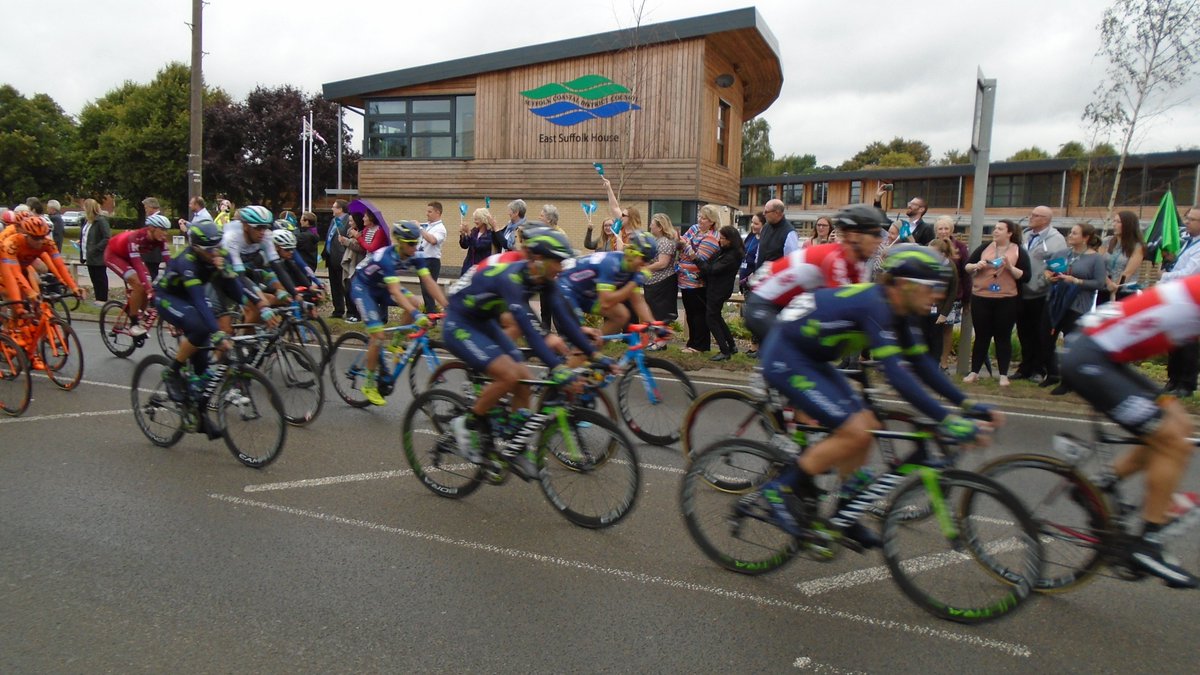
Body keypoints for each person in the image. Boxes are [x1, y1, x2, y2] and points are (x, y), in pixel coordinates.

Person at [754, 244, 997, 547]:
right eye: (933, 287)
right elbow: (897, 375)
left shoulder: (900, 311)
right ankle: (779, 490)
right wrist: (947, 420)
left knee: (867, 424)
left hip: (812, 358)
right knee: (854, 430)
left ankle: (845, 511)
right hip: (786, 356)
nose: (937, 295)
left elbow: (921, 364)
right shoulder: (877, 306)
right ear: (905, 285)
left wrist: (968, 405)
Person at [1058, 274, 1200, 588]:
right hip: (1090, 360)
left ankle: (1096, 487)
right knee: (1172, 441)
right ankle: (1148, 544)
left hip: (1104, 355)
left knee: (1180, 426)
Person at [444, 228, 604, 477]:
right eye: (557, 262)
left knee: (523, 378)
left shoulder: (544, 280)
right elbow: (529, 329)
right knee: (508, 375)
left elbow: (565, 319)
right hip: (460, 323)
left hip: (486, 321)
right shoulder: (511, 277)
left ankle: (514, 445)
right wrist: (559, 368)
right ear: (539, 260)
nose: (561, 268)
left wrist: (596, 357)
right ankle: (465, 423)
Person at [155, 220, 277, 404]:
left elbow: (237, 288)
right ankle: (172, 372)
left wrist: (260, 305)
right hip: (169, 297)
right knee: (201, 327)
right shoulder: (187, 263)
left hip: (191, 296)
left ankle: (198, 413)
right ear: (196, 248)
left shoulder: (221, 255)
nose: (215, 252)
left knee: (201, 373)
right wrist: (218, 333)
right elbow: (198, 301)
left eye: (217, 246)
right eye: (209, 249)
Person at [742, 205, 886, 344]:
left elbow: (863, 301)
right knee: (797, 351)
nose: (880, 240)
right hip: (763, 304)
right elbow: (842, 307)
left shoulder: (857, 265)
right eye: (875, 234)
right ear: (854, 236)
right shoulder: (835, 259)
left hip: (785, 305)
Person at [349, 221, 446, 406]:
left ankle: (395, 344)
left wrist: (447, 305)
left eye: (416, 242)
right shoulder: (386, 257)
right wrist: (416, 315)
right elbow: (394, 291)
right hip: (364, 288)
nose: (414, 247)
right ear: (400, 242)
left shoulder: (416, 254)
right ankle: (368, 384)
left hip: (383, 286)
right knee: (377, 336)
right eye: (410, 243)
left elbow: (429, 281)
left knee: (415, 302)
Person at [1042, 222, 1107, 395]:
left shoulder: (1096, 258)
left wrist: (1077, 281)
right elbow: (1048, 270)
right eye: (1070, 232)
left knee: (1070, 342)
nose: (1070, 236)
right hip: (1056, 301)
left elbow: (1100, 283)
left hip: (1077, 305)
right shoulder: (1063, 253)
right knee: (1045, 339)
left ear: (1085, 238)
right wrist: (1050, 277)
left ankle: (1068, 381)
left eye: (1074, 233)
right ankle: (1052, 373)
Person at [963, 219, 1030, 386]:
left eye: (1000, 229)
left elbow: (1026, 276)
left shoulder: (1018, 251)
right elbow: (967, 267)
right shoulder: (985, 247)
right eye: (995, 228)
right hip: (982, 297)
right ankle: (974, 372)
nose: (995, 231)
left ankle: (1003, 375)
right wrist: (976, 266)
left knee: (1003, 336)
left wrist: (1009, 267)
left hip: (1006, 299)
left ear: (1009, 233)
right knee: (981, 336)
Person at [558, 231, 658, 336]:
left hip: (586, 294)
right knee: (577, 337)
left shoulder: (633, 270)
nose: (646, 264)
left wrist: (655, 327)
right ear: (631, 253)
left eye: (649, 260)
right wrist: (634, 283)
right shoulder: (611, 264)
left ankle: (593, 347)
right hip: (568, 288)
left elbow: (638, 302)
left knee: (621, 315)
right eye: (644, 258)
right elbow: (606, 302)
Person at [1012, 206, 1067, 382]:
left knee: (1039, 333)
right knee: (1024, 332)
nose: (1031, 217)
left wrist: (1043, 281)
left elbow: (1058, 266)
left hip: (1042, 293)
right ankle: (1025, 367)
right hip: (1023, 291)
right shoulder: (1026, 236)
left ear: (1045, 219)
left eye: (1036, 215)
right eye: (1032, 214)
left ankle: (1039, 368)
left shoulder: (1056, 240)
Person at [0, 212, 84, 318]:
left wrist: (72, 286)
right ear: (24, 232)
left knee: (36, 288)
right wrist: (28, 293)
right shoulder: (10, 240)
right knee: (14, 299)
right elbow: (13, 273)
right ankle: (10, 325)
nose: (40, 241)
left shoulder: (47, 242)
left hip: (22, 264)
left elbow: (58, 265)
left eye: (42, 237)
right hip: (5, 266)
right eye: (35, 238)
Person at [103, 213, 171, 337]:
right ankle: (134, 324)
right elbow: (138, 265)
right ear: (151, 228)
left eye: (167, 230)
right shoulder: (135, 238)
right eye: (163, 230)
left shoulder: (161, 240)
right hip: (113, 255)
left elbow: (169, 262)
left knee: (147, 282)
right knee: (140, 284)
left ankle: (140, 312)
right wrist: (149, 290)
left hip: (129, 256)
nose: (165, 233)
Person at [1157, 207, 1200, 398]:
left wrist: (1165, 276)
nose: (1187, 222)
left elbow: (1190, 273)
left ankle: (1187, 383)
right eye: (1187, 218)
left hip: (1192, 299)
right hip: (1176, 297)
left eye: (1192, 219)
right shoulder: (1186, 241)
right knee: (1173, 339)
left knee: (1188, 342)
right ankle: (1173, 378)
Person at [677, 205, 722, 353]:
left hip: (697, 282)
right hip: (684, 279)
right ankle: (692, 342)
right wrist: (686, 245)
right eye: (700, 217)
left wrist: (686, 246)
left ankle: (700, 345)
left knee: (698, 314)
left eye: (704, 218)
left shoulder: (712, 237)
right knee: (690, 313)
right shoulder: (695, 228)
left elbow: (700, 259)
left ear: (712, 222)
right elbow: (682, 239)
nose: (700, 220)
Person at [701, 225, 745, 361]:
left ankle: (724, 350)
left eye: (723, 238)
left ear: (730, 240)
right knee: (717, 317)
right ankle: (731, 346)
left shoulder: (731, 256)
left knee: (711, 318)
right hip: (716, 288)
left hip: (719, 290)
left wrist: (695, 259)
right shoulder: (724, 251)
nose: (720, 240)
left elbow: (712, 269)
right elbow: (709, 264)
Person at [933, 216, 970, 370]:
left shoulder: (960, 247)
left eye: (946, 228)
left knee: (947, 330)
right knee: (931, 331)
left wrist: (967, 300)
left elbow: (966, 275)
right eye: (940, 228)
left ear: (951, 230)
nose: (943, 231)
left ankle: (944, 361)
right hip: (932, 298)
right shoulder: (931, 245)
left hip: (952, 298)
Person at [340, 209, 389, 322]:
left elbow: (371, 248)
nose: (363, 219)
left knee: (380, 288)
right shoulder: (366, 230)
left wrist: (358, 237)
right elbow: (363, 247)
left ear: (371, 218)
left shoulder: (379, 231)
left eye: (365, 217)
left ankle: (382, 317)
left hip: (377, 263)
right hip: (367, 261)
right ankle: (360, 313)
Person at [643, 213, 679, 349]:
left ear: (660, 227)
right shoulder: (655, 240)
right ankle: (655, 340)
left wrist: (644, 269)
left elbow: (663, 263)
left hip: (663, 282)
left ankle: (660, 342)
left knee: (660, 313)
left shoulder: (665, 242)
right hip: (652, 282)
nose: (650, 226)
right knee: (653, 312)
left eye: (652, 224)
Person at [1100, 210, 1147, 305]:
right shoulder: (1106, 241)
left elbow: (1128, 272)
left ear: (1128, 225)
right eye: (1114, 221)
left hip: (1125, 291)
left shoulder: (1137, 247)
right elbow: (1098, 263)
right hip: (1105, 288)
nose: (1114, 224)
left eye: (1118, 222)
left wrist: (1115, 288)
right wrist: (1108, 282)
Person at [270, 229, 325, 296]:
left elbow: (298, 270)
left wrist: (310, 287)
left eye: (292, 249)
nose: (291, 252)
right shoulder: (269, 260)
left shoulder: (287, 259)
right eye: (287, 249)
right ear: (276, 247)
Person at [738, 213, 763, 355]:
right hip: (744, 281)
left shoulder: (764, 240)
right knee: (748, 313)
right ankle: (753, 345)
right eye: (752, 223)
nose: (753, 226)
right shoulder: (751, 237)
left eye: (756, 223)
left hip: (755, 282)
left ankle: (758, 346)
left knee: (755, 315)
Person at [415, 201, 447, 313]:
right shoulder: (427, 226)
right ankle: (429, 312)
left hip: (432, 260)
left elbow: (432, 240)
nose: (427, 214)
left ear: (437, 212)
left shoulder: (441, 228)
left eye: (430, 211)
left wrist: (419, 228)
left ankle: (431, 315)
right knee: (424, 289)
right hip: (422, 259)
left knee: (429, 289)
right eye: (427, 211)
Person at [322, 200, 351, 319]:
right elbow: (329, 237)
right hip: (331, 257)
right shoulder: (333, 221)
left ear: (340, 209)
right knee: (335, 286)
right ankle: (338, 310)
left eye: (334, 207)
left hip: (341, 258)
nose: (332, 209)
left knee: (344, 286)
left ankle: (351, 311)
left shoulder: (348, 221)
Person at [80, 198, 111, 303]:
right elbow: (86, 236)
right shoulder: (87, 222)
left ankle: (102, 299)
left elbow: (107, 238)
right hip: (88, 255)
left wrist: (96, 248)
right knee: (94, 278)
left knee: (100, 278)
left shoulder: (100, 221)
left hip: (98, 256)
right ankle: (98, 298)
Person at [601, 175, 643, 241]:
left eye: (623, 215)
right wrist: (609, 188)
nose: (621, 216)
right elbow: (615, 207)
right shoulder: (621, 228)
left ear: (631, 217)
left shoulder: (639, 235)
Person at [757, 199, 799, 264]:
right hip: (761, 272)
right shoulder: (765, 227)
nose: (763, 214)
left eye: (766, 212)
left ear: (776, 213)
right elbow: (759, 251)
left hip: (776, 273)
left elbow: (790, 261)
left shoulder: (789, 233)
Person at [459, 207, 495, 271]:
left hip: (481, 268)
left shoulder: (490, 234)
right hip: (469, 266)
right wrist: (463, 234)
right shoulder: (474, 231)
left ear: (483, 220)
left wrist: (468, 232)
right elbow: (464, 245)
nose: (474, 221)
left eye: (476, 219)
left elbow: (478, 245)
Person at [140, 197, 166, 281]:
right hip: (149, 252)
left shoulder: (159, 218)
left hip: (154, 252)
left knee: (153, 274)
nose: (146, 210)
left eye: (146, 208)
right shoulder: (151, 218)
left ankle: (155, 291)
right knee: (151, 274)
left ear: (151, 207)